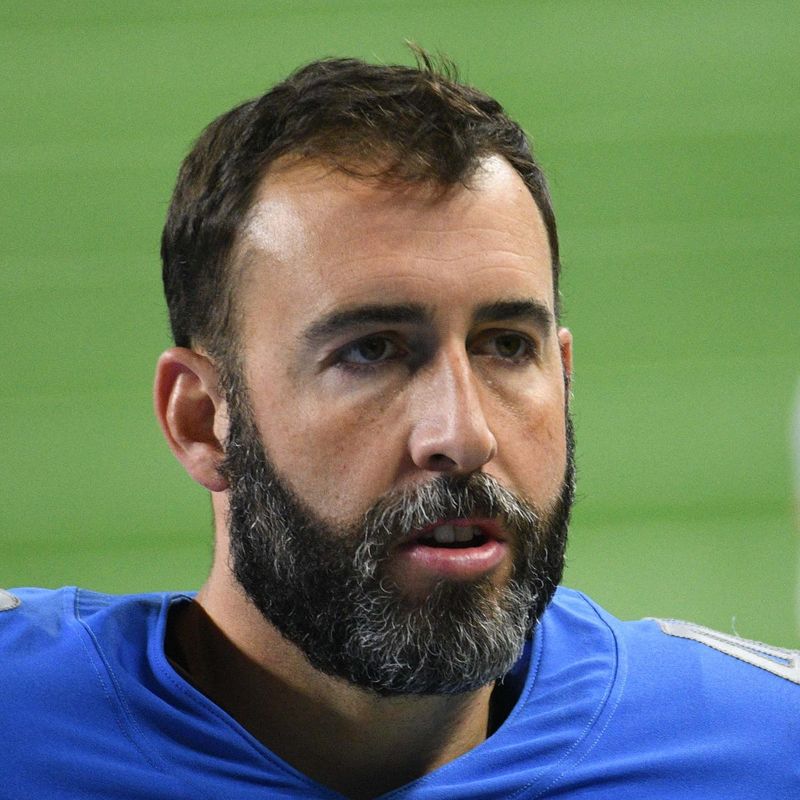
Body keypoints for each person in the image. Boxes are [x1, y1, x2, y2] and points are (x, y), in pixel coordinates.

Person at [2, 52, 798, 800]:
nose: (463, 434)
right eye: (371, 352)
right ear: (203, 420)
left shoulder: (761, 752)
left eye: (505, 347)